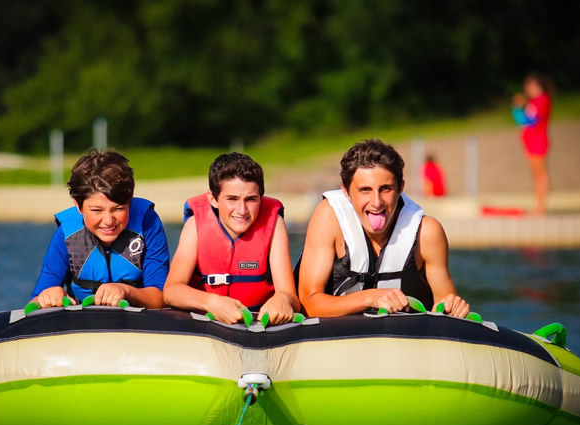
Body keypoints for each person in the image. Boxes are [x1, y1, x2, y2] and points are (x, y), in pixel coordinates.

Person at [298, 139, 470, 318]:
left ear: (400, 187)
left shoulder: (426, 232)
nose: (376, 202)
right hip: (338, 333)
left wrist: (453, 306)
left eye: (385, 189)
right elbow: (308, 304)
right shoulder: (329, 218)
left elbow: (445, 307)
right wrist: (370, 298)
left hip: (406, 334)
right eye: (365, 190)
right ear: (346, 191)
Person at [164, 152, 299, 325]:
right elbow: (171, 291)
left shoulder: (274, 224)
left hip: (258, 325)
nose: (242, 210)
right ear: (213, 198)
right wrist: (211, 302)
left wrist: (284, 299)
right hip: (205, 324)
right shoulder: (195, 225)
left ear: (261, 198)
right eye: (232, 199)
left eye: (251, 199)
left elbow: (291, 297)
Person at [30, 149, 170, 309]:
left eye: (118, 208)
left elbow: (161, 297)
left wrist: (126, 291)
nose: (109, 221)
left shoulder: (147, 222)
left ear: (130, 203)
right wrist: (48, 297)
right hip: (83, 320)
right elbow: (34, 302)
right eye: (97, 210)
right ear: (78, 206)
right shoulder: (67, 233)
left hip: (138, 318)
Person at [512, 73, 553, 215]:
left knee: (540, 174)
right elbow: (524, 121)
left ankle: (540, 207)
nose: (527, 89)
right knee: (536, 175)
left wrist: (516, 108)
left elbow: (530, 121)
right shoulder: (534, 101)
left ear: (537, 85)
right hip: (531, 142)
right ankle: (538, 205)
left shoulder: (542, 100)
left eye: (529, 85)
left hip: (538, 142)